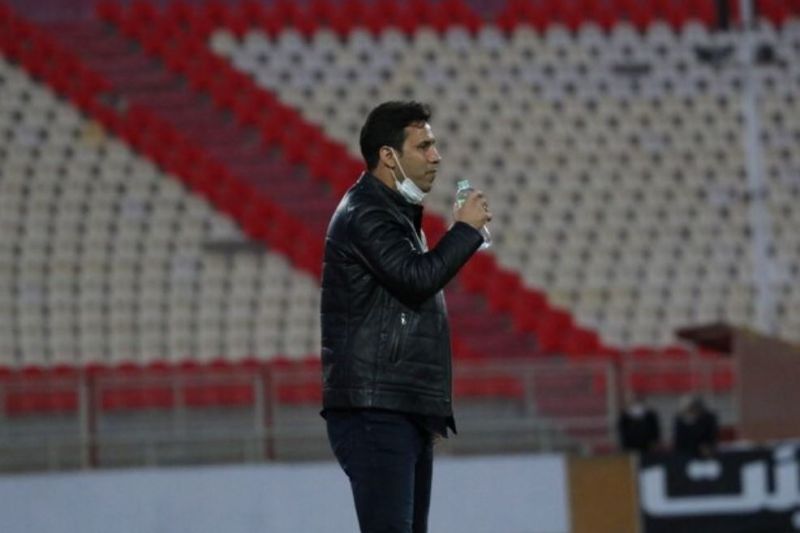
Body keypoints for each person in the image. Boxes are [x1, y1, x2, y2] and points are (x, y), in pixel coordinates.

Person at [320, 100, 491, 533]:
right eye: (424, 146)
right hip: (376, 409)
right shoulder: (366, 213)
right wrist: (465, 230)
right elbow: (417, 279)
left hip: (398, 406)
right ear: (388, 156)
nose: (436, 156)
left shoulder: (393, 212)